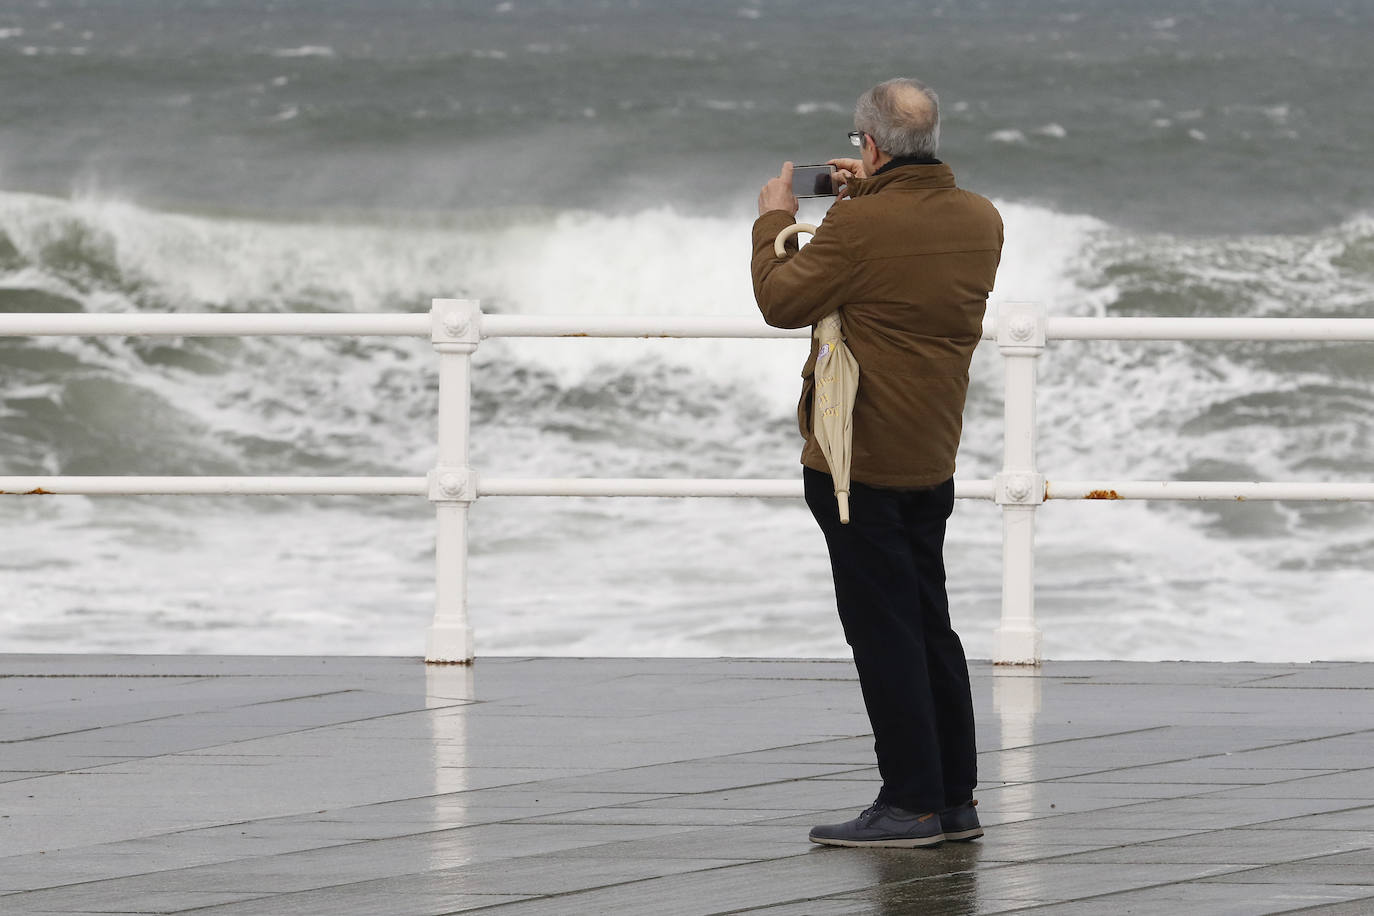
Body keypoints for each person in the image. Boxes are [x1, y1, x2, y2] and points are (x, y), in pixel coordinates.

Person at [750, 77, 1003, 848]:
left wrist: (774, 222)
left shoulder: (860, 230)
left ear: (870, 143)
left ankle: (909, 803)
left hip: (857, 460)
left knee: (882, 632)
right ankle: (952, 798)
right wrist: (865, 198)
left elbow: (782, 300)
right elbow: (898, 271)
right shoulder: (981, 219)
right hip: (931, 450)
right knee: (929, 624)